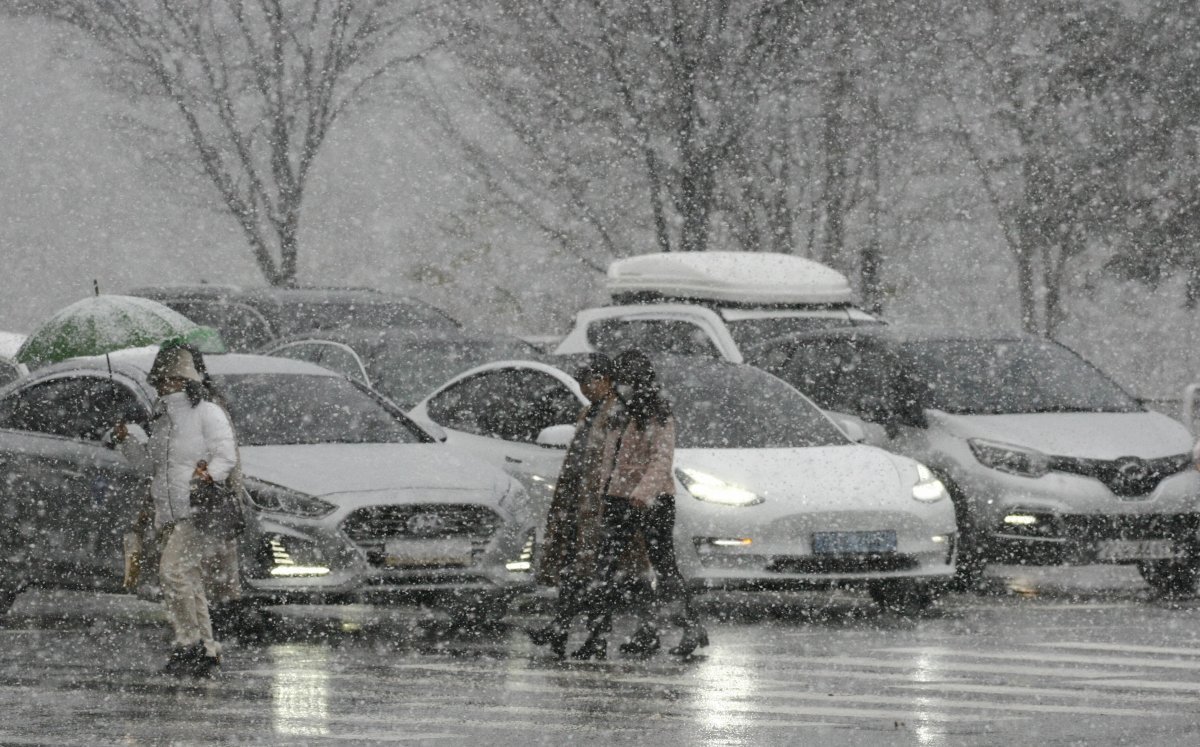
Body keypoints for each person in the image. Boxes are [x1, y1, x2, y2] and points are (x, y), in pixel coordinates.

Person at [113, 343, 239, 676]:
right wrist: (126, 441)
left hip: (198, 509)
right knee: (189, 580)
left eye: (172, 378)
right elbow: (149, 465)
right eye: (161, 379)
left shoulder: (207, 413)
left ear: (187, 380)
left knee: (172, 573)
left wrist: (208, 476)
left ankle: (188, 643)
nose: (165, 385)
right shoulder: (162, 418)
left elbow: (226, 456)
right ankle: (206, 648)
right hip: (168, 513)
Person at [597, 349, 708, 659]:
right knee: (612, 568)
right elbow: (612, 458)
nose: (622, 387)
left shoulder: (658, 416)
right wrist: (607, 490)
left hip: (653, 501)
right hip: (620, 499)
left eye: (627, 381)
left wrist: (642, 494)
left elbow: (661, 461)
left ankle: (688, 625)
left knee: (663, 567)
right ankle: (641, 631)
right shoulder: (620, 413)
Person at [527, 354, 624, 659]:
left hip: (600, 504)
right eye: (582, 381)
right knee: (573, 570)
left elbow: (614, 461)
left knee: (594, 574)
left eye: (592, 380)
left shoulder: (617, 415)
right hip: (577, 502)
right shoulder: (589, 414)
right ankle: (566, 631)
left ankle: (578, 632)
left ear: (608, 381)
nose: (586, 387)